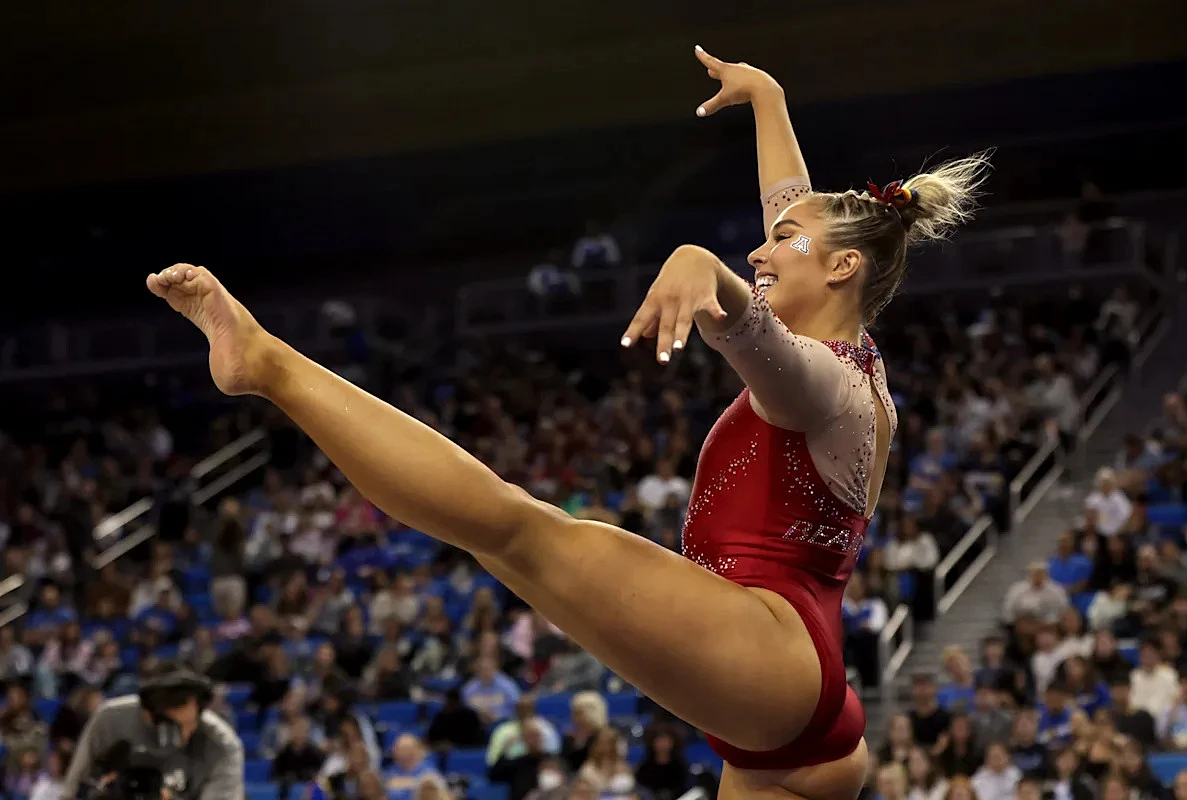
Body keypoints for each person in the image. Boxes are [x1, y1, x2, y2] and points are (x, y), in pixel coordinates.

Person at [144, 45, 988, 800]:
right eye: (765, 239)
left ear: (843, 268)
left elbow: (763, 341)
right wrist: (767, 98)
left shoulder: (836, 388)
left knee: (511, 529)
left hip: (774, 658)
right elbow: (792, 210)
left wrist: (707, 270)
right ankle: (267, 366)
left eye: (783, 239)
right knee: (497, 536)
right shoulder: (852, 350)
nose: (762, 248)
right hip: (786, 703)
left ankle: (268, 365)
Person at [60, 663, 243, 800]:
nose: (184, 736)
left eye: (192, 723)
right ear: (147, 713)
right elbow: (72, 791)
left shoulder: (222, 743)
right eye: (173, 726)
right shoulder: (110, 721)